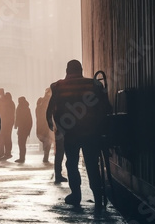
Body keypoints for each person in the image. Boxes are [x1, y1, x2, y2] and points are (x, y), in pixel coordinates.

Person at [46, 60, 112, 210]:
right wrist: (100, 128)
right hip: (91, 133)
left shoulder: (59, 86)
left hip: (71, 133)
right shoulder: (94, 84)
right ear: (81, 70)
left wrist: (57, 126)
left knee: (72, 163)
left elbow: (51, 110)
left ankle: (76, 195)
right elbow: (106, 107)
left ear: (67, 71)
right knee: (92, 165)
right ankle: (98, 197)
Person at [36, 88, 65, 181]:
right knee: (54, 146)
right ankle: (58, 173)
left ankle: (58, 174)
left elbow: (46, 113)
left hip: (54, 126)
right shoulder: (48, 100)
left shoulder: (44, 101)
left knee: (57, 150)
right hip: (57, 126)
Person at [0, 90, 15, 161]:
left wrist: (0, 92)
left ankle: (3, 153)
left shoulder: (6, 103)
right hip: (6, 123)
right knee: (6, 138)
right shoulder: (9, 103)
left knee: (3, 138)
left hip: (5, 123)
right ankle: (5, 153)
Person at [13, 96, 33, 163]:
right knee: (21, 144)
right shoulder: (24, 108)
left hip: (23, 129)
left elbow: (19, 118)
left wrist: (16, 125)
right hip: (22, 129)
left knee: (21, 144)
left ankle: (22, 158)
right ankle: (21, 157)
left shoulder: (22, 108)